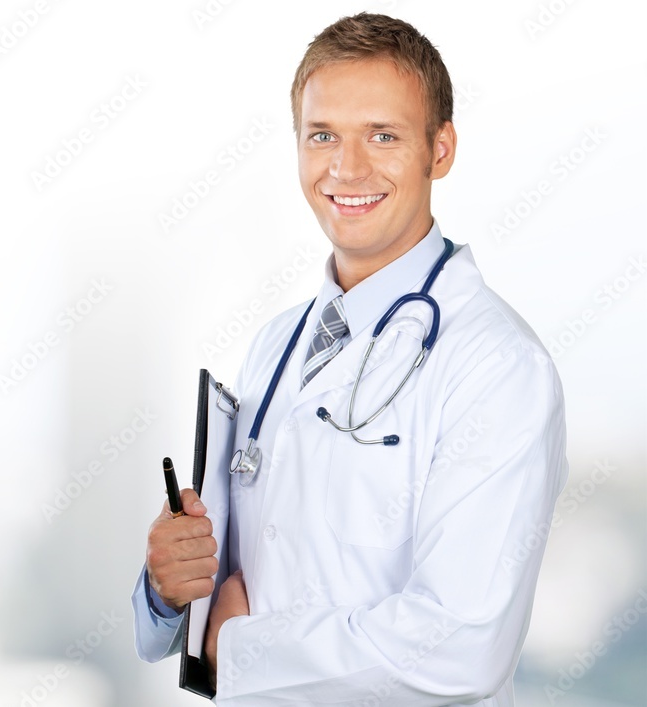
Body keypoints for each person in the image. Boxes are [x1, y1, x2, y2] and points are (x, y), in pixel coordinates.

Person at [131, 12, 568, 706]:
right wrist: (167, 585)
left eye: (383, 136)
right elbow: (231, 587)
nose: (347, 167)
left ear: (441, 148)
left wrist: (239, 649)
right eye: (323, 135)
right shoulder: (277, 344)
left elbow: (461, 643)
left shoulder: (496, 365)